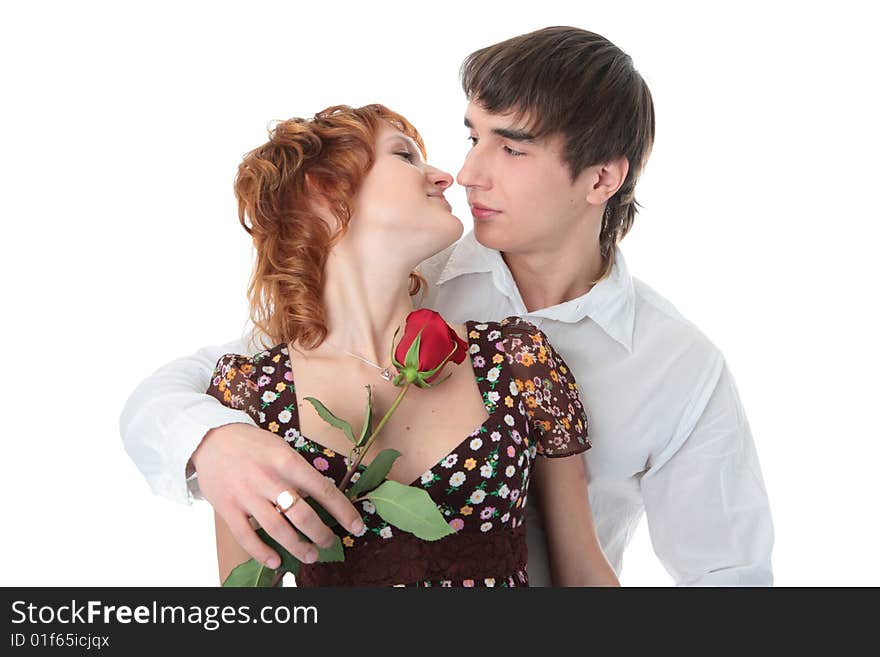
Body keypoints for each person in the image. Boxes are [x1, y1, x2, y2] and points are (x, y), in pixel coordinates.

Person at [120, 26, 774, 586]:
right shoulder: (410, 272)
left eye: (512, 147)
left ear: (601, 178)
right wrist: (213, 441)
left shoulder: (675, 366)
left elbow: (728, 581)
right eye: (473, 137)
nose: (464, 174)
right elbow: (185, 389)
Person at [188, 102, 617, 586]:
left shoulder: (515, 359)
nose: (443, 177)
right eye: (405, 155)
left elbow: (583, 575)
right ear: (324, 190)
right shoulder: (251, 395)